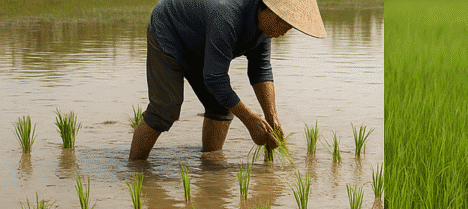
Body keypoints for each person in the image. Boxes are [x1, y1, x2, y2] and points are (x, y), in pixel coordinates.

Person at [130, 0, 326, 160]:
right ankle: (134, 170)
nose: (284, 30)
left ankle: (210, 168)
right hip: (170, 31)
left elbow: (260, 70)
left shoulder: (265, 29)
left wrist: (271, 117)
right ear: (264, 8)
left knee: (220, 108)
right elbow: (215, 78)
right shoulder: (226, 15)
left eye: (290, 26)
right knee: (165, 109)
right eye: (282, 22)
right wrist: (250, 120)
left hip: (201, 40)